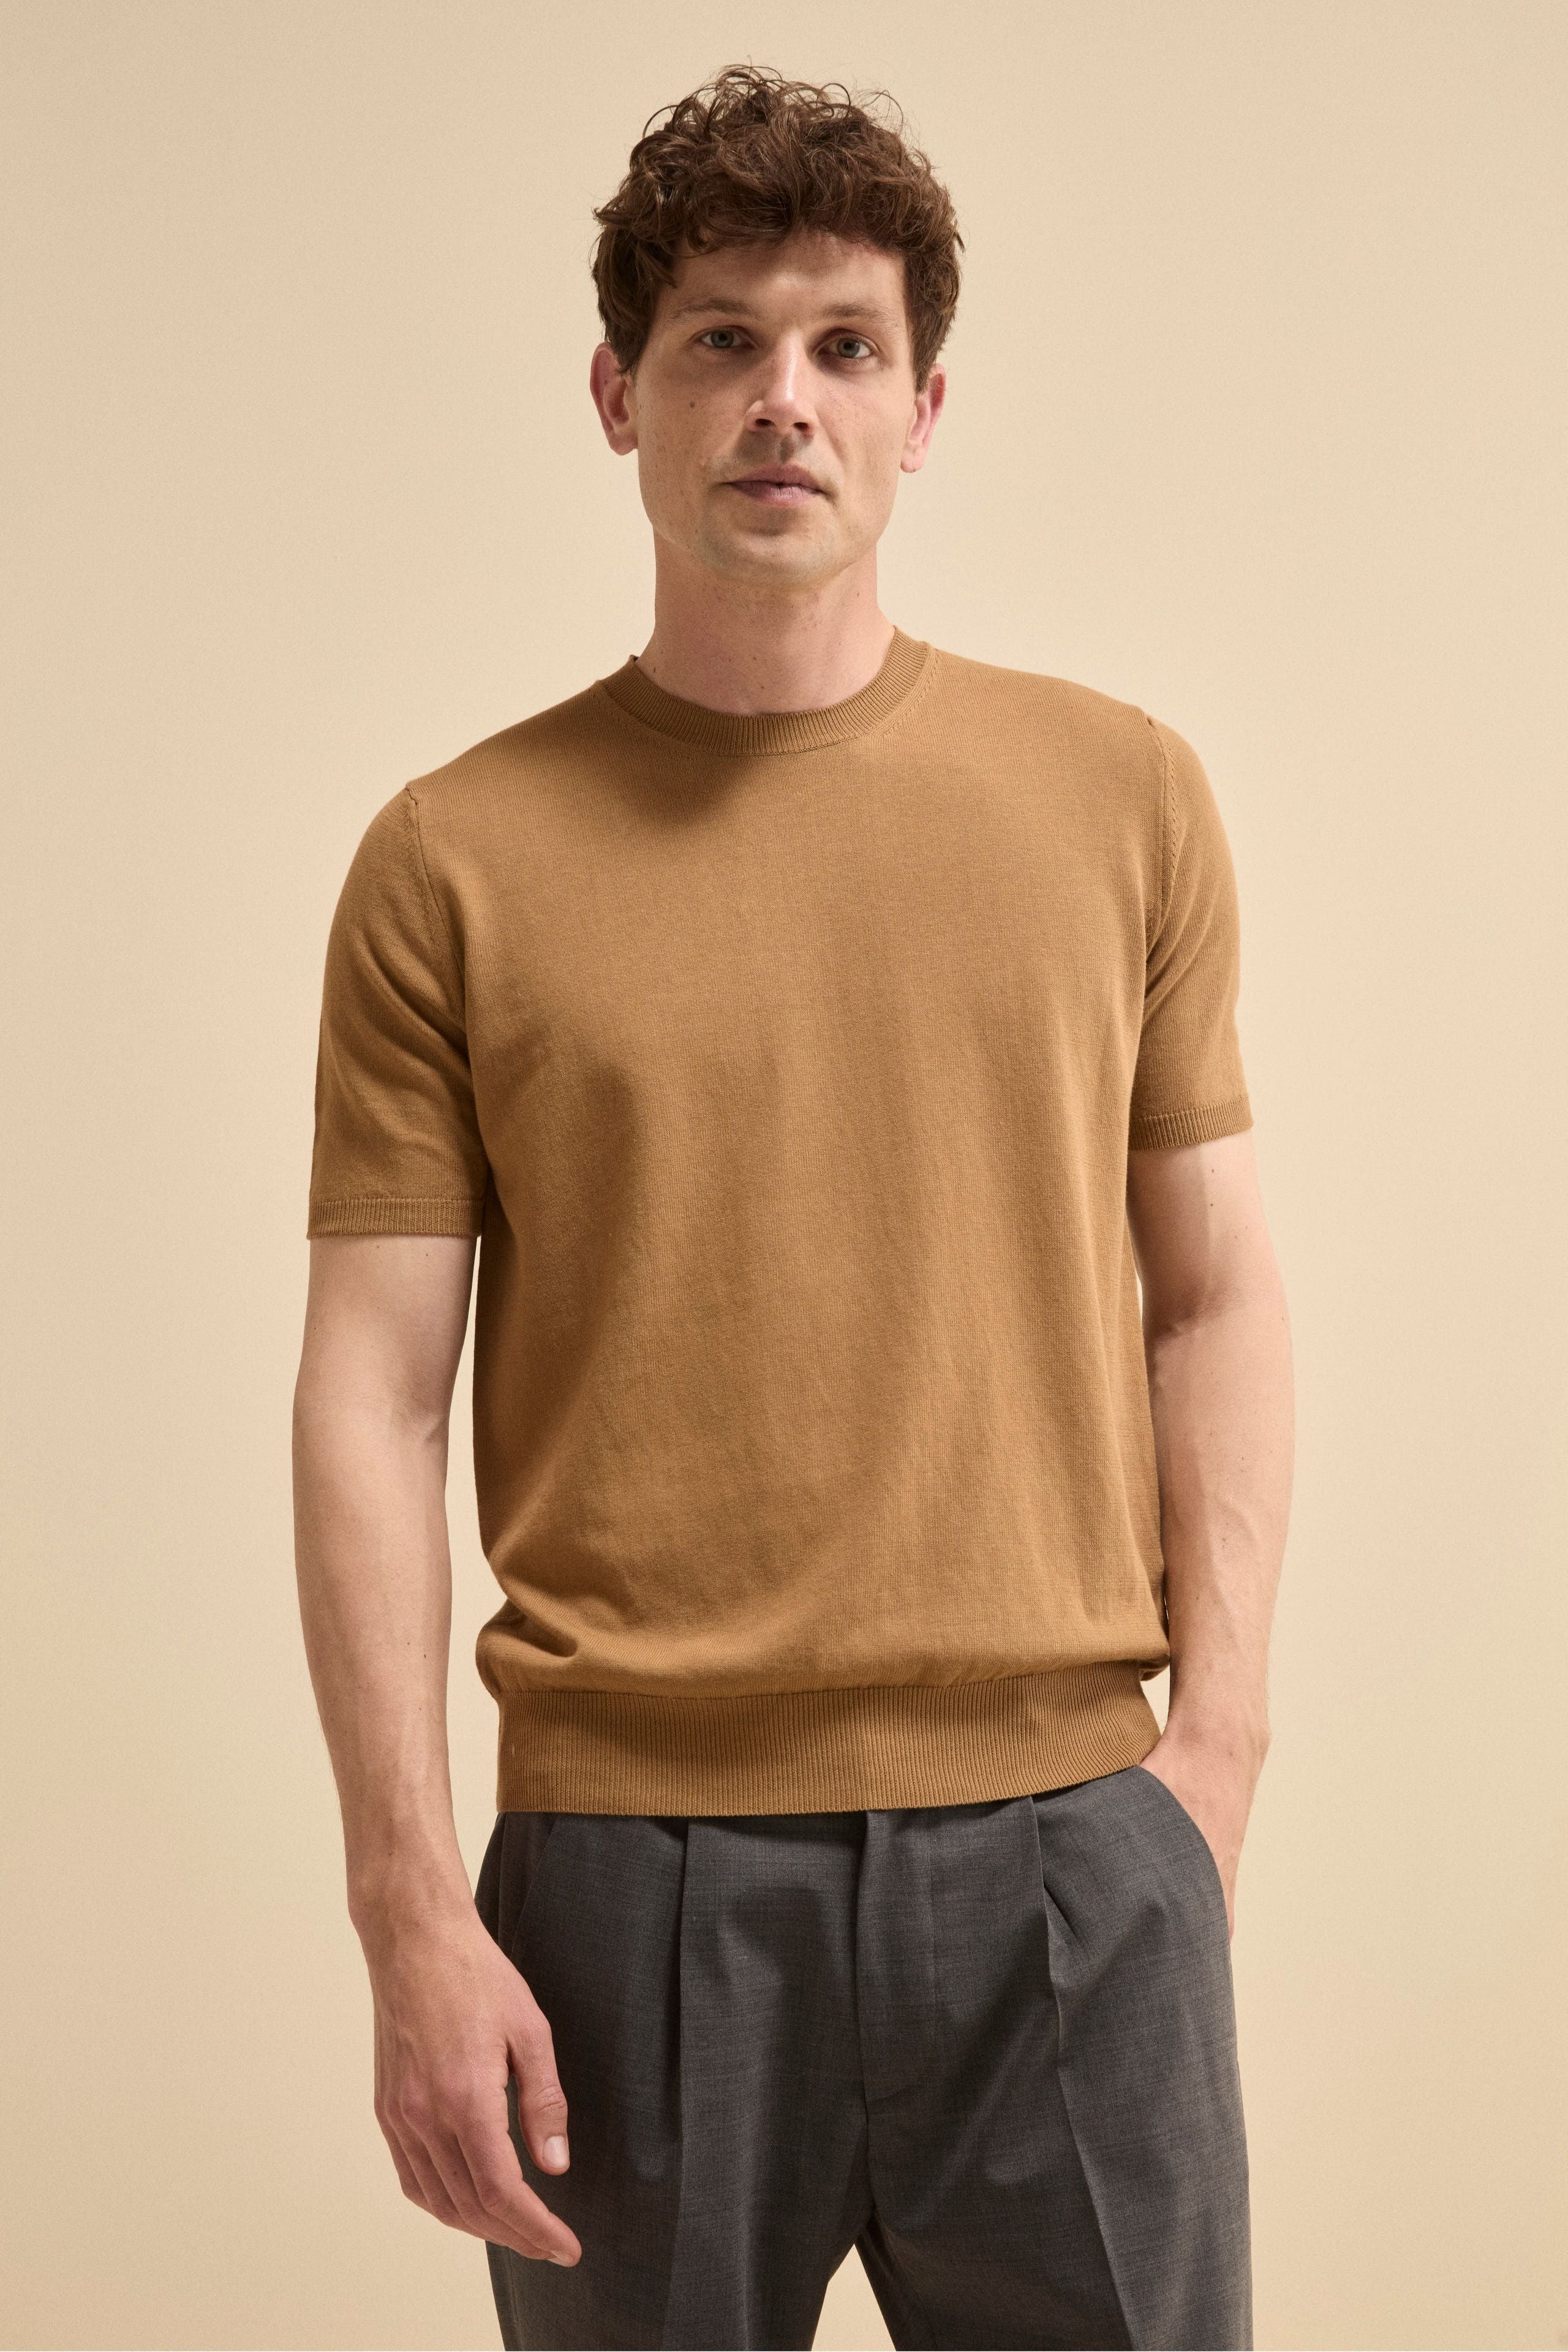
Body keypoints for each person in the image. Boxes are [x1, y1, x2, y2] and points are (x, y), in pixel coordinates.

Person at [292, 61, 1294, 2352]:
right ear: (619, 396)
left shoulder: (1123, 799)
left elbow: (1216, 1295)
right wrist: (407, 1909)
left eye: (845, 345)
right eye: (722, 341)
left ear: (922, 411)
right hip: (622, 1888)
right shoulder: (452, 862)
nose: (783, 400)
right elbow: (371, 1398)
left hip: (1069, 1854)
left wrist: (1213, 1758)